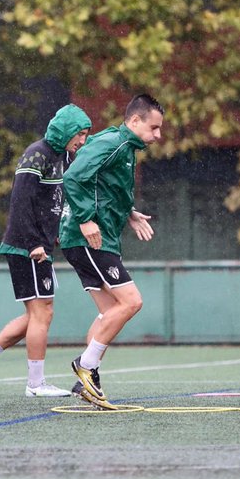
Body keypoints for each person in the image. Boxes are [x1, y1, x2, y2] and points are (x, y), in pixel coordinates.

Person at [0, 104, 92, 397]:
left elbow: (52, 201)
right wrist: (35, 242)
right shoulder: (38, 153)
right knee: (41, 313)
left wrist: (53, 234)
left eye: (86, 135)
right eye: (80, 134)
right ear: (66, 131)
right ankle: (35, 384)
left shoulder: (61, 157)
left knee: (38, 314)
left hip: (39, 245)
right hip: (26, 246)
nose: (82, 141)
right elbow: (20, 202)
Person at [61, 94, 164, 410]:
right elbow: (73, 177)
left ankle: (86, 383)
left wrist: (129, 212)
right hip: (91, 239)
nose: (158, 135)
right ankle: (86, 365)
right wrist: (86, 219)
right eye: (154, 127)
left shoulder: (124, 145)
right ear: (135, 121)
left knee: (109, 313)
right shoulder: (114, 144)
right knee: (132, 302)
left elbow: (110, 186)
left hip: (88, 240)